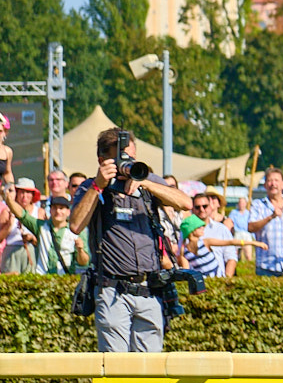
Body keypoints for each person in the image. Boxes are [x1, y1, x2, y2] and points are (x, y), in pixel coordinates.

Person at [65, 127, 195, 351]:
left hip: (149, 289)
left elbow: (186, 203)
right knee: (117, 369)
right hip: (113, 290)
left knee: (149, 370)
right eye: (120, 158)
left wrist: (147, 183)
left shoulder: (145, 180)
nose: (127, 163)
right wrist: (98, 185)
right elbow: (75, 226)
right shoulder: (91, 186)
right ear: (102, 159)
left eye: (131, 157)